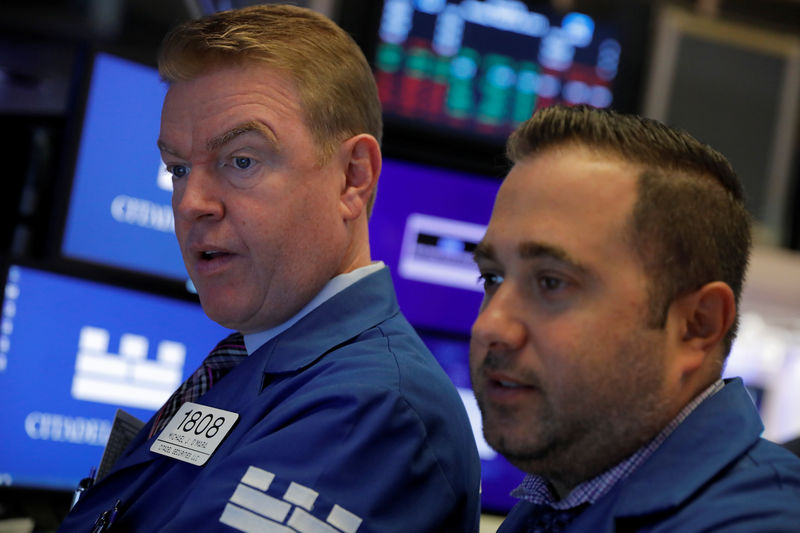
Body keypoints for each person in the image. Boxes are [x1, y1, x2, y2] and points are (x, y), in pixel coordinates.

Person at [59, 5, 480, 532]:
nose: (191, 202)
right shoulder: (264, 362)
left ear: (353, 178)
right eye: (178, 168)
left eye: (241, 160)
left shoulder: (370, 413)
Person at [469, 105, 800, 532]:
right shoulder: (564, 496)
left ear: (696, 325)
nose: (490, 325)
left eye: (551, 282)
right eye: (492, 277)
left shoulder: (758, 525)